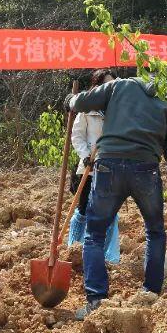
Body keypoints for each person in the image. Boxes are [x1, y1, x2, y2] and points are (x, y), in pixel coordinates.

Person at [67, 77, 167, 320]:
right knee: (155, 232)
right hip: (145, 170)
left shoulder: (119, 85)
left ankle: (96, 301)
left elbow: (85, 101)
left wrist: (71, 100)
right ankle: (151, 295)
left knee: (94, 235)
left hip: (108, 167)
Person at [67, 69, 121, 264]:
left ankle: (107, 257)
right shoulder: (87, 111)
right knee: (83, 210)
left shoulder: (119, 111)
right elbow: (77, 136)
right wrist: (85, 156)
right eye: (106, 85)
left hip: (111, 168)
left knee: (110, 213)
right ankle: (73, 250)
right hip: (89, 168)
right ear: (97, 87)